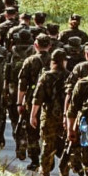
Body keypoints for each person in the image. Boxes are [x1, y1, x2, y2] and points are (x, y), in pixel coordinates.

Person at [30, 49, 68, 176]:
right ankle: (64, 174)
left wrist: (33, 115)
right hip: (66, 117)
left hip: (48, 116)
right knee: (65, 146)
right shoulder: (69, 77)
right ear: (64, 61)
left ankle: (45, 172)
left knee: (47, 144)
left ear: (52, 61)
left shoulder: (46, 76)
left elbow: (37, 98)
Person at [17, 34, 54, 169]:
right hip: (51, 102)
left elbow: (22, 84)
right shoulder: (54, 61)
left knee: (32, 131)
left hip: (32, 100)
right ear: (50, 46)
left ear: (36, 45)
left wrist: (19, 102)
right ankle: (49, 157)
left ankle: (35, 160)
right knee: (48, 131)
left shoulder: (30, 61)